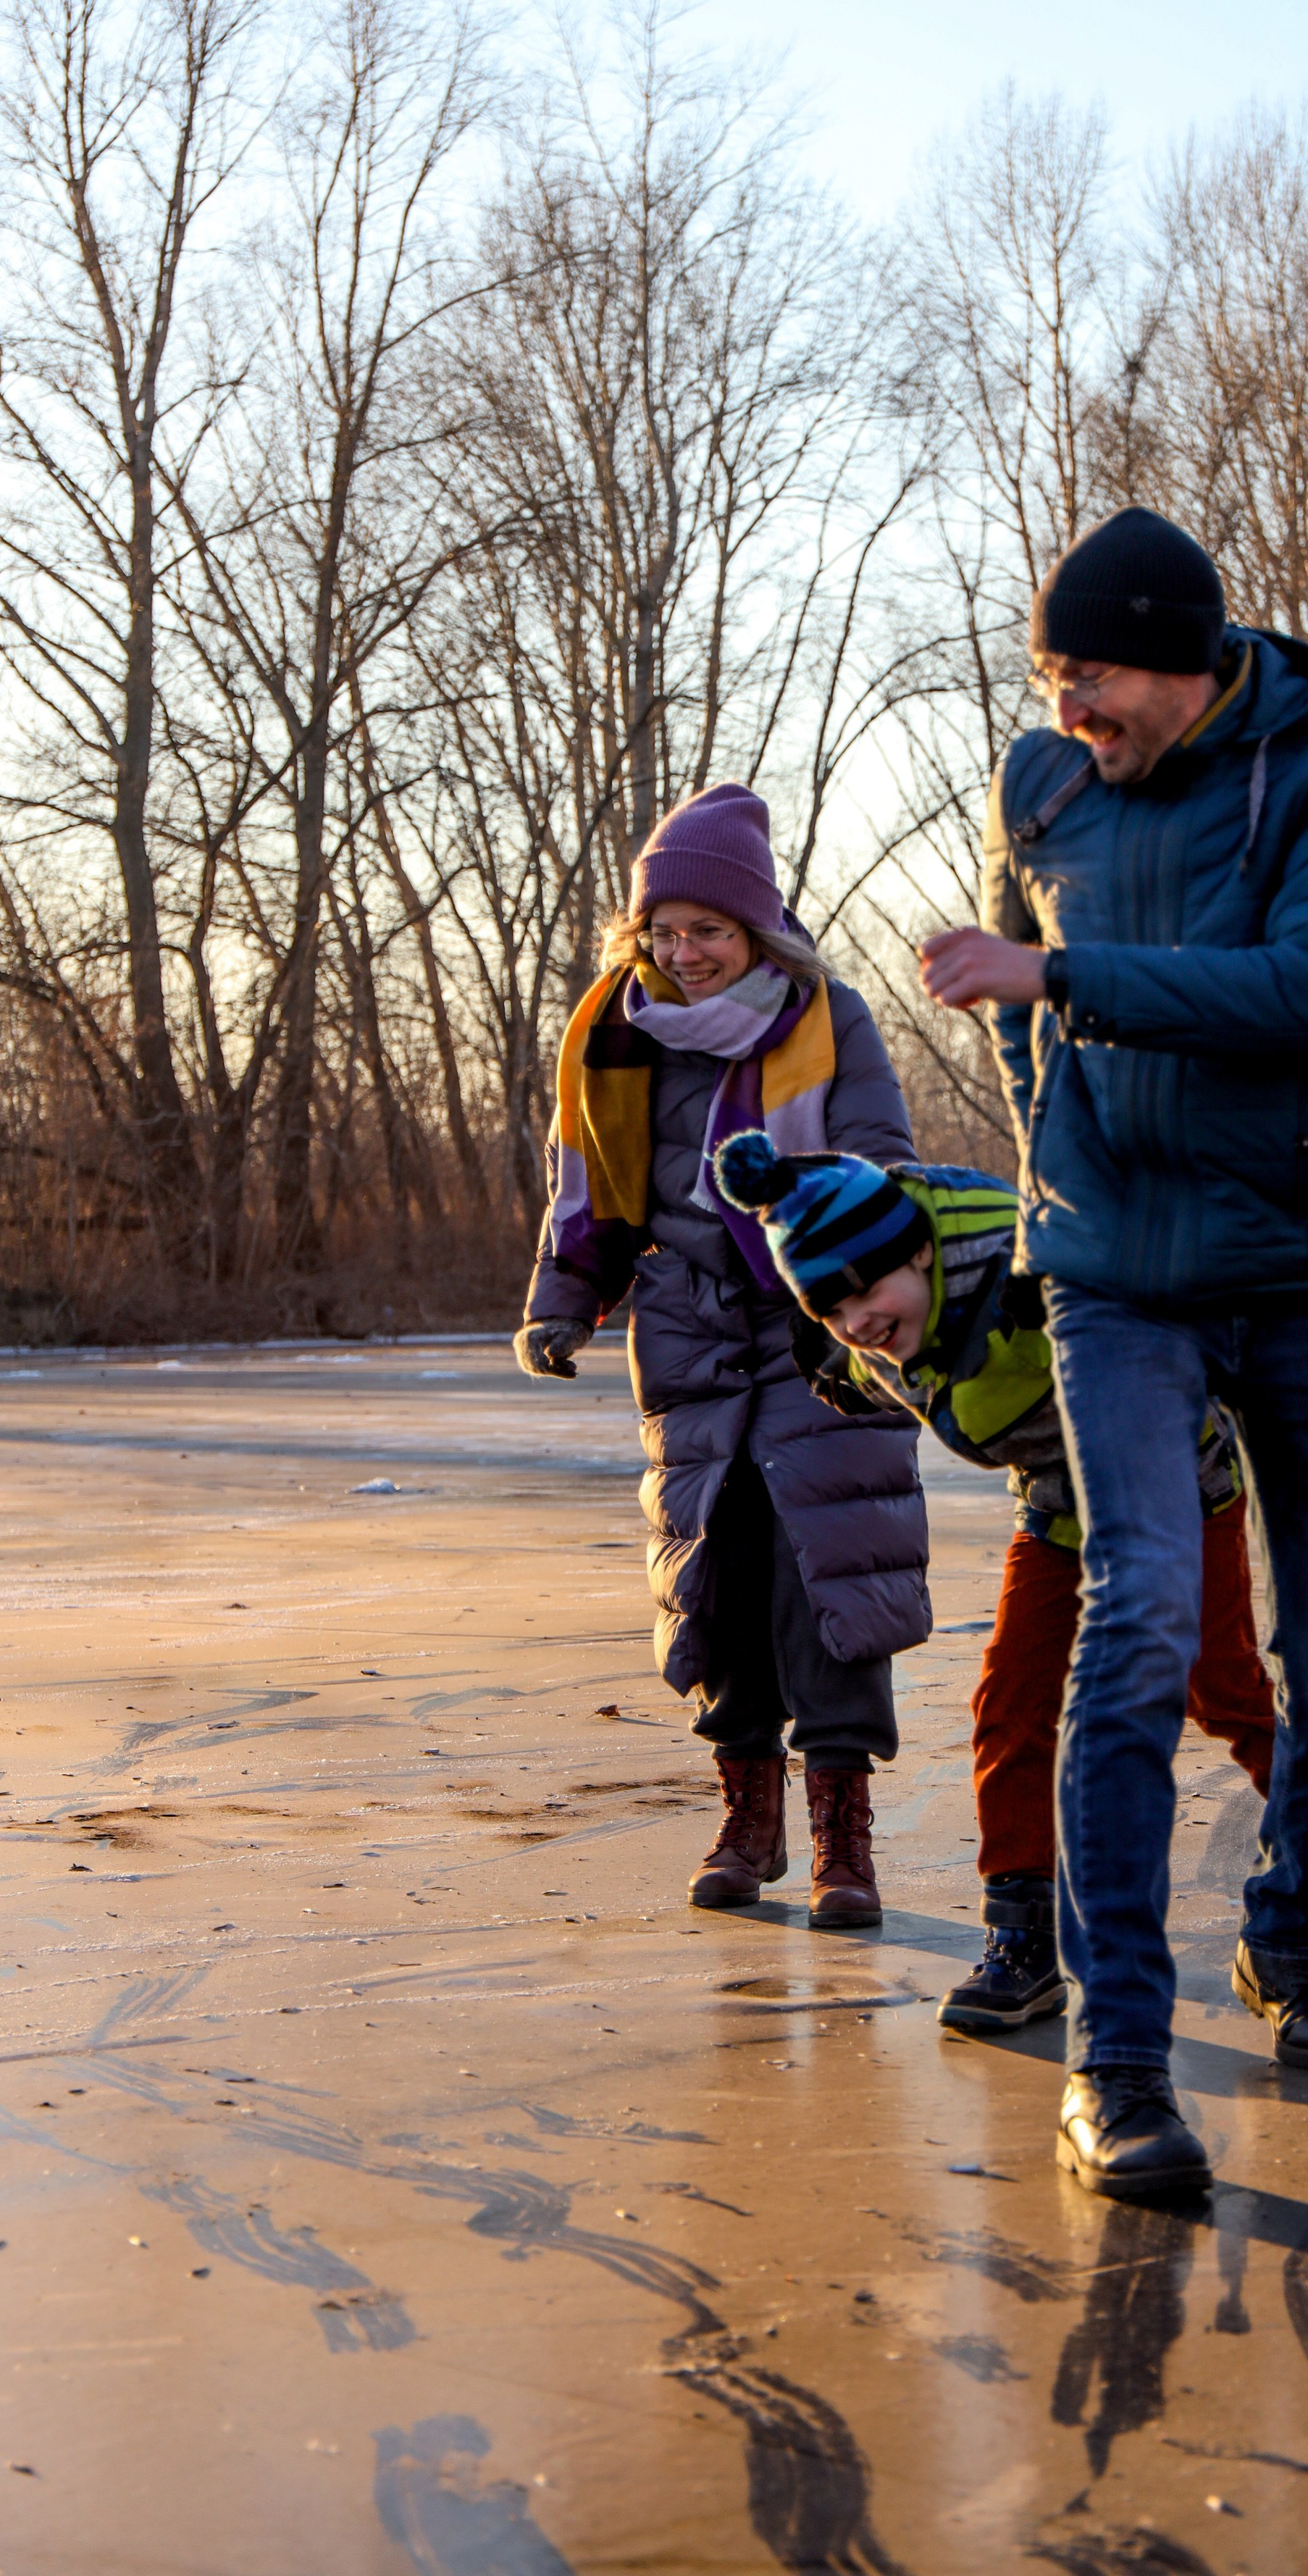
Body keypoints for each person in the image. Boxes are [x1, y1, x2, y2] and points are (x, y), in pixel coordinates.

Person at [920, 505, 1308, 2199]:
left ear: (1187, 662)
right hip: (1112, 1276)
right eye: (1052, 680)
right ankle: (1114, 2065)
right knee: (1135, 1627)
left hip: (1297, 1271)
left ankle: (1288, 1925)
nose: (1072, 713)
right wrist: (1058, 1159)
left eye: (1096, 679)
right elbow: (1016, 1033)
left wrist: (1058, 975)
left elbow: (1306, 985)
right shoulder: (1038, 787)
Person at [712, 1130, 1308, 2064]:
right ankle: (1023, 1939)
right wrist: (833, 1361)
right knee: (1012, 1705)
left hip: (1178, 1479)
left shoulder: (1038, 1269)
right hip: (1058, 1504)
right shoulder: (868, 1330)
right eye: (828, 1303)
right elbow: (876, 1357)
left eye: (864, 1290)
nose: (856, 1318)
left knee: (1223, 1690)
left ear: (919, 1250)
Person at [513, 782, 928, 1928]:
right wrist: (565, 1298)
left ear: (757, 933)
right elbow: (586, 1183)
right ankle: (747, 1818)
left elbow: (883, 1158)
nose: (685, 953)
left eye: (709, 930)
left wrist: (850, 1287)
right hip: (690, 1330)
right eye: (666, 930)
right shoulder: (612, 1029)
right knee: (721, 1577)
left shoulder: (825, 1016)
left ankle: (846, 1837)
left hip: (818, 1328)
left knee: (835, 1578)